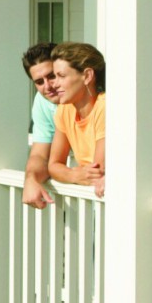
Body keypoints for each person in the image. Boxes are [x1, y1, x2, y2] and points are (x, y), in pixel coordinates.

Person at [48, 41, 106, 197]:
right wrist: (74, 175)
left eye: (61, 76)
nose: (54, 84)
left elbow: (97, 172)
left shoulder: (106, 107)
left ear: (87, 76)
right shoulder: (64, 110)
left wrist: (67, 173)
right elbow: (53, 166)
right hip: (90, 199)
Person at [20, 42, 62, 208]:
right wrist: (31, 179)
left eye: (52, 76)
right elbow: (40, 155)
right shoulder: (42, 101)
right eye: (39, 81)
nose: (48, 86)